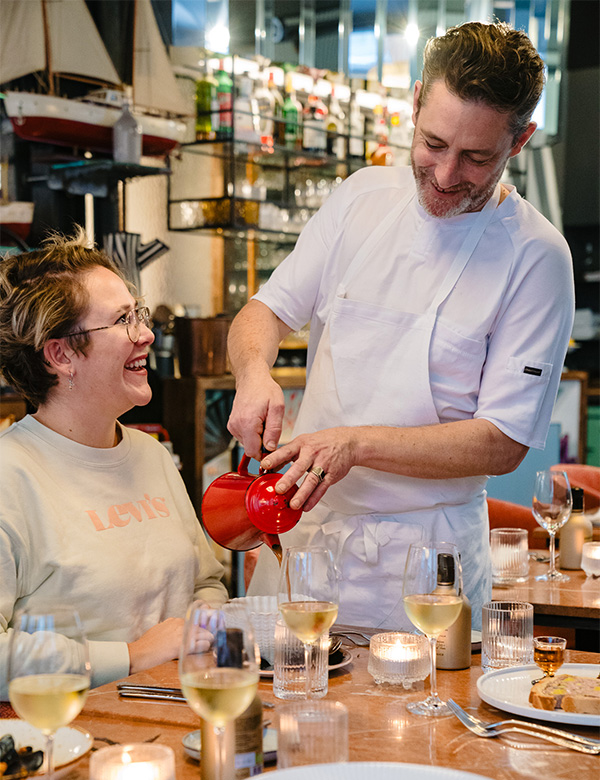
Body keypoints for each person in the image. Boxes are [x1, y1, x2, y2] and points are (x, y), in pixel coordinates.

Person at [226, 22, 575, 629]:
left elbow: (503, 439)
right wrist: (253, 372)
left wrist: (355, 445)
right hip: (306, 541)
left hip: (428, 566)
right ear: (414, 102)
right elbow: (264, 311)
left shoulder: (537, 256)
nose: (443, 176)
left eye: (475, 157)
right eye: (433, 142)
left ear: (521, 141)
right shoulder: (362, 198)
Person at [0, 229, 228, 699]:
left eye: (138, 313)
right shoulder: (11, 475)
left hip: (180, 719)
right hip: (68, 737)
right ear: (60, 355)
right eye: (123, 320)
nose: (146, 333)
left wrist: (200, 625)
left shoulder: (151, 455)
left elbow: (206, 582)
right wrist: (132, 656)